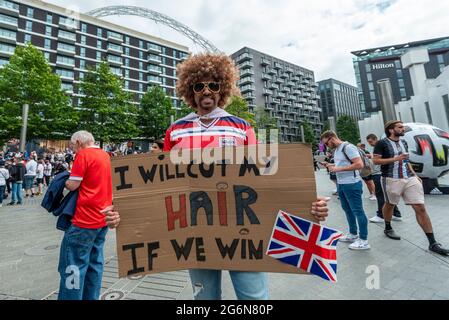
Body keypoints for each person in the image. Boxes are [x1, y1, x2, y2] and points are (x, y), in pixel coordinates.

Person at [104, 53, 330, 300]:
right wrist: (126, 213)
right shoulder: (175, 130)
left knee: (254, 298)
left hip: (242, 227)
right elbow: (161, 185)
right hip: (195, 230)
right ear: (190, 90)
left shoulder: (241, 127)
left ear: (222, 88)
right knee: (204, 299)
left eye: (213, 84)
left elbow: (264, 177)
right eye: (199, 86)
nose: (206, 91)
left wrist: (306, 204)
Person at [58, 131, 120, 300]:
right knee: (95, 265)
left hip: (83, 219)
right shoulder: (106, 155)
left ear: (79, 142)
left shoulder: (84, 155)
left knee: (73, 267)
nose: (73, 150)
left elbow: (73, 184)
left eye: (73, 146)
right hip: (102, 218)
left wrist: (63, 180)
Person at [373, 121, 449, 256]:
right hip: (391, 178)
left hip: (409, 178)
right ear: (391, 130)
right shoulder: (382, 143)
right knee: (390, 204)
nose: (403, 129)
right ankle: (388, 226)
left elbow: (406, 160)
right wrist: (396, 158)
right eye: (400, 127)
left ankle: (433, 243)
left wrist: (415, 175)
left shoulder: (404, 142)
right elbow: (376, 161)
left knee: (420, 207)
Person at [321, 130, 370, 251]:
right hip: (342, 184)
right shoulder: (337, 150)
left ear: (331, 138)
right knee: (347, 210)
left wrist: (338, 169)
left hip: (352, 184)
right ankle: (353, 234)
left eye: (326, 143)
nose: (327, 146)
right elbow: (341, 165)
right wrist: (330, 165)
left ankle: (364, 240)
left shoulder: (348, 147)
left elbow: (359, 165)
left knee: (358, 211)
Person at [366, 134, 402, 223]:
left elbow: (380, 160)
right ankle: (396, 214)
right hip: (382, 173)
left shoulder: (380, 146)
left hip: (379, 174)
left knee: (381, 195)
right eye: (369, 142)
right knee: (387, 196)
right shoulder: (383, 146)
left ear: (375, 139)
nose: (370, 144)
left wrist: (373, 158)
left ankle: (381, 215)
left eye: (371, 142)